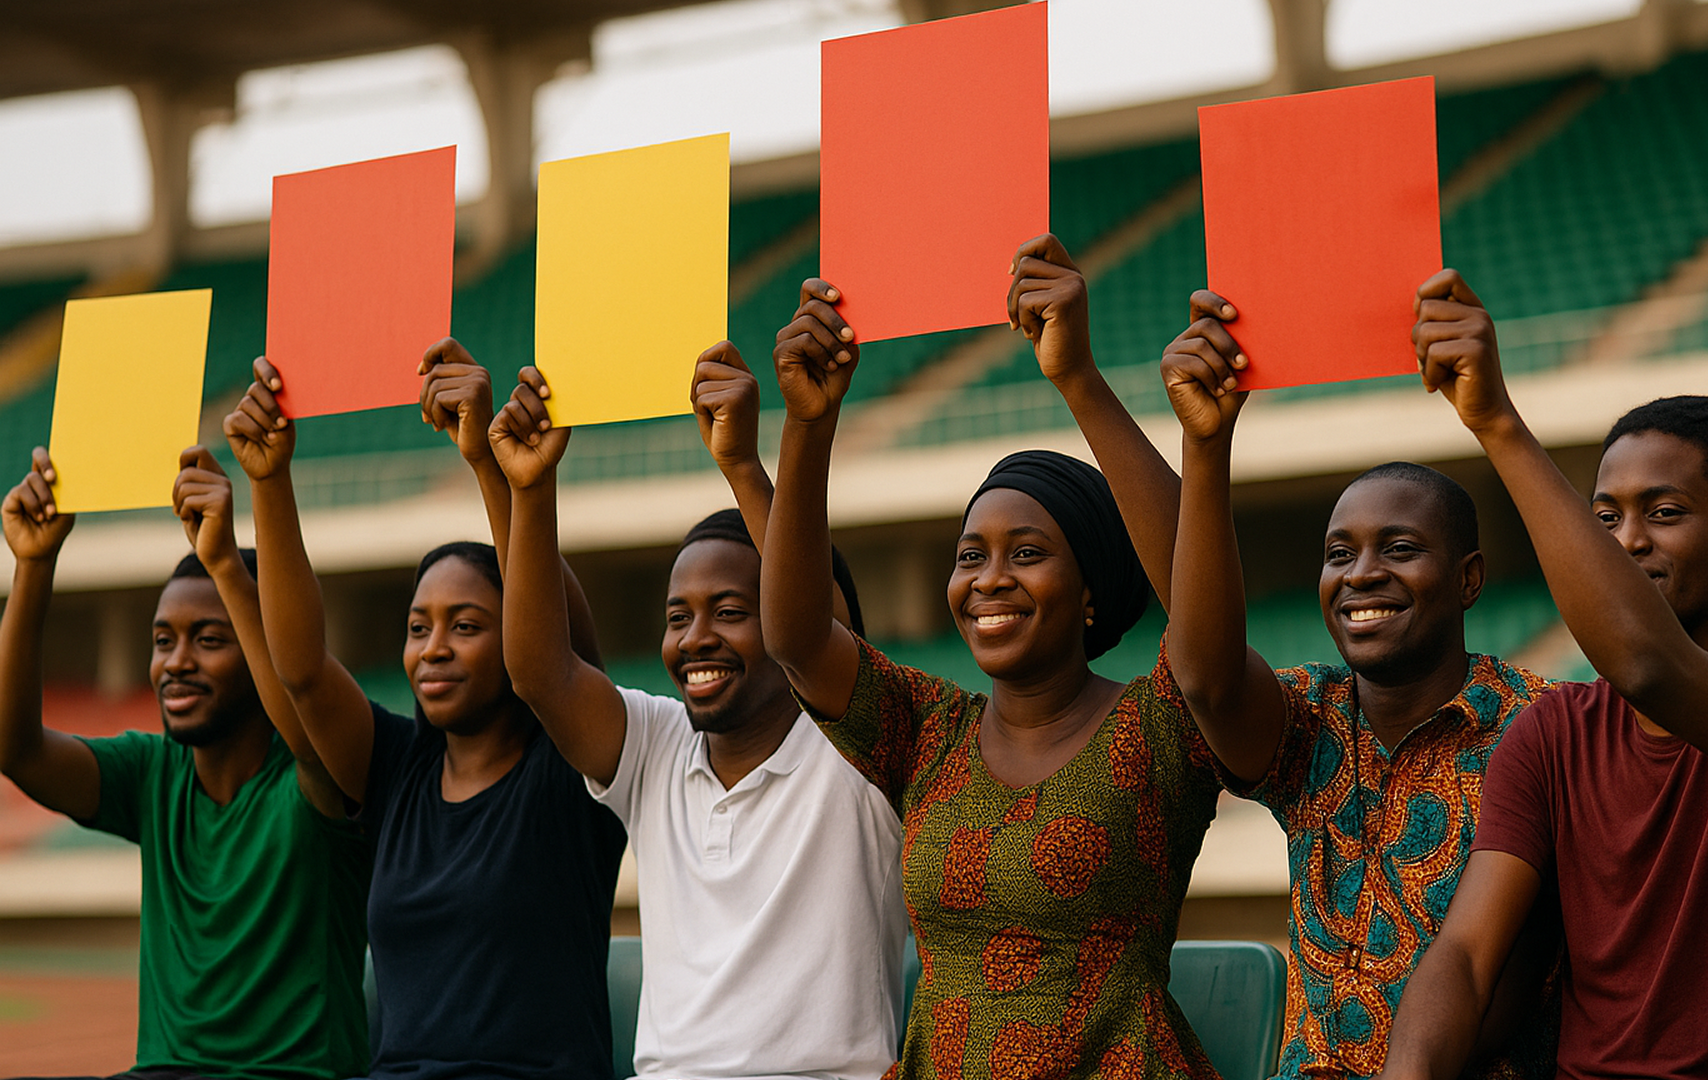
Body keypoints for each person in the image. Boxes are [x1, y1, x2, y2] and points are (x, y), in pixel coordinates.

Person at [1006, 234, 1559, 1078]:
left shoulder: (1541, 726)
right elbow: (1204, 664)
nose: (1361, 573)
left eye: (1399, 548)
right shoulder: (1308, 722)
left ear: (1470, 578)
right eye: (1339, 554)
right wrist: (1197, 439)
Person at [1381, 271, 1708, 1080]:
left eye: (1664, 513)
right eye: (1604, 517)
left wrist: (1496, 424)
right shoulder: (1552, 732)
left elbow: (1649, 666)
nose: (1626, 540)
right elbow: (1465, 958)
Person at [757, 277, 1224, 1079]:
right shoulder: (928, 731)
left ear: (1090, 591)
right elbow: (797, 637)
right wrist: (808, 424)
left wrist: (1077, 377)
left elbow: (1202, 603)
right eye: (970, 556)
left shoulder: (1159, 724)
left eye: (1027, 553)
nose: (989, 579)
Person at [484, 342, 908, 1080]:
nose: (695, 638)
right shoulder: (656, 744)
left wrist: (742, 466)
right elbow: (541, 674)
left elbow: (813, 623)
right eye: (677, 617)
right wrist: (528, 488)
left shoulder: (858, 750)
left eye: (731, 611)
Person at [228, 345, 628, 1080]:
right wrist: (269, 480)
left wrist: (489, 465)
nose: (433, 649)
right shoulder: (395, 770)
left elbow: (561, 653)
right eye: (418, 628)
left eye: (466, 626)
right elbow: (303, 673)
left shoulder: (574, 769)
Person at [0, 444, 371, 1080]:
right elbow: (17, 750)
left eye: (208, 639)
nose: (175, 662)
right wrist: (33, 565)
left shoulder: (320, 774)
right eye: (162, 640)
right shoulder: (153, 773)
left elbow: (304, 707)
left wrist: (225, 563)